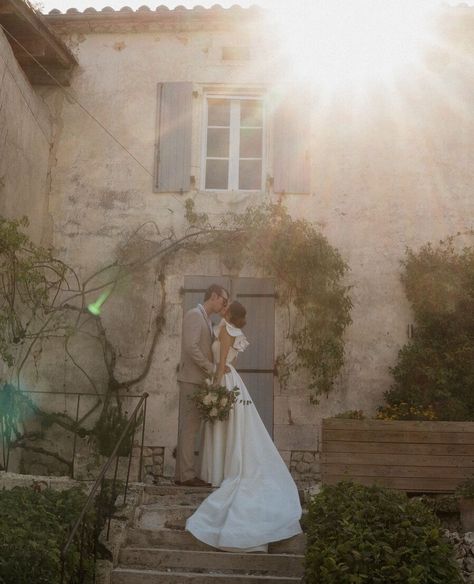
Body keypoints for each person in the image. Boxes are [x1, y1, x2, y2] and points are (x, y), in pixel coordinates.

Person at [186, 301, 302, 551]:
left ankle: (223, 471)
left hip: (224, 380)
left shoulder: (227, 329)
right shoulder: (232, 330)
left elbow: (222, 363)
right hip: (232, 378)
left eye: (226, 307)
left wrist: (216, 386)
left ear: (229, 314)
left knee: (225, 426)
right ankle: (221, 470)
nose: (223, 308)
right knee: (228, 427)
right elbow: (231, 361)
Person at [175, 283, 229, 487]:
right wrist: (211, 367)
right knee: (189, 427)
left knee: (192, 427)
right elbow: (191, 347)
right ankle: (186, 476)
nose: (224, 304)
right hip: (191, 379)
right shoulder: (194, 315)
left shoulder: (207, 319)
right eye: (223, 301)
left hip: (199, 379)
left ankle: (184, 475)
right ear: (214, 296)